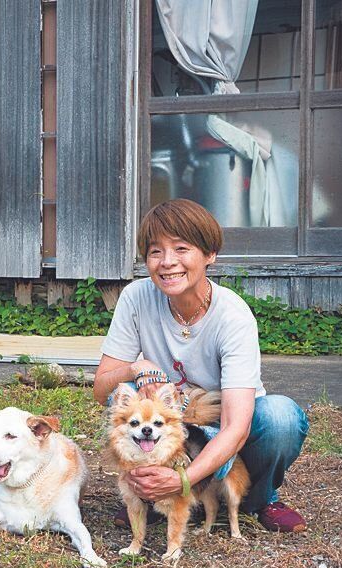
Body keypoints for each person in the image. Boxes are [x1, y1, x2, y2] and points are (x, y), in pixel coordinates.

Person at [93, 198, 308, 533]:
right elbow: (101, 388)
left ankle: (259, 499)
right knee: (124, 395)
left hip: (220, 426)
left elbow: (236, 426)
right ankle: (149, 496)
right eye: (155, 252)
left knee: (280, 418)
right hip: (172, 424)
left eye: (181, 249)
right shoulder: (136, 298)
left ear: (210, 254)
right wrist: (137, 368)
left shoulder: (232, 316)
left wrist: (181, 480)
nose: (167, 263)